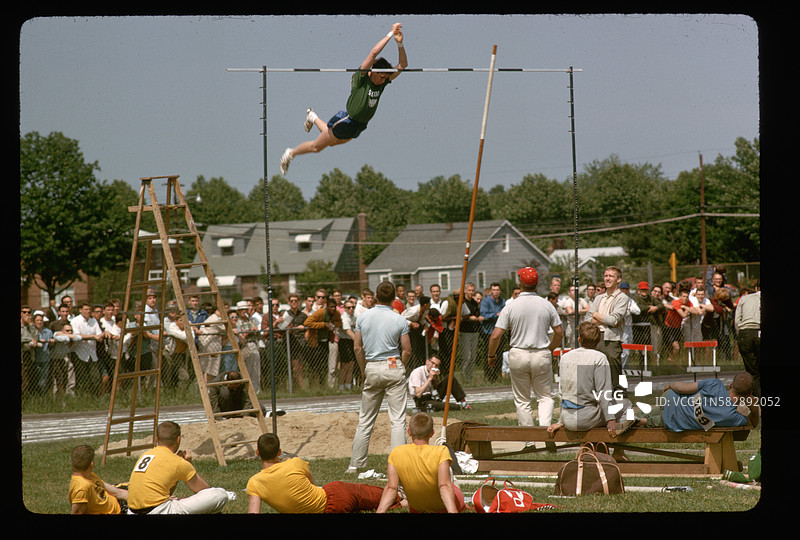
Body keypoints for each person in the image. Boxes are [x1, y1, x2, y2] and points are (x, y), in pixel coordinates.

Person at [279, 23, 407, 174]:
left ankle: (312, 117)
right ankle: (290, 154)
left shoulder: (382, 83)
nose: (383, 79)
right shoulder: (362, 79)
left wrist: (400, 44)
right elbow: (373, 54)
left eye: (386, 77)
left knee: (330, 142)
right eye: (381, 76)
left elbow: (402, 65)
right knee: (316, 147)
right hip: (346, 120)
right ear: (373, 72)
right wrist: (390, 34)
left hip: (360, 125)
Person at [488, 267, 562, 442]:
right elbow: (559, 332)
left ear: (520, 283)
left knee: (522, 399)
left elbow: (496, 335)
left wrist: (491, 356)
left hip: (518, 354)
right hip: (541, 353)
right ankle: (546, 433)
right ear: (536, 283)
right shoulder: (546, 305)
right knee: (545, 396)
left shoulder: (511, 306)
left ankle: (529, 439)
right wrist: (550, 349)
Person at [247, 433, 403, 514]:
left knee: (363, 503)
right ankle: (400, 498)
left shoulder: (254, 483)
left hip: (328, 506)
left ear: (257, 452)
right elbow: (312, 486)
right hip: (333, 498)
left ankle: (399, 501)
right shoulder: (295, 463)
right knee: (368, 495)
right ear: (279, 452)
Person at [347, 280, 411, 474]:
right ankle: (398, 463)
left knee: (365, 419)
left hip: (373, 366)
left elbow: (357, 347)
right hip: (392, 364)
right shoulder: (398, 318)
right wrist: (401, 367)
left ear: (375, 295)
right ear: (393, 298)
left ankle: (355, 463)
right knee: (398, 420)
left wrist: (363, 368)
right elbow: (407, 350)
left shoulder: (363, 318)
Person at [546, 322, 635, 438]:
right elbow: (603, 392)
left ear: (579, 339)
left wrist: (561, 421)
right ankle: (618, 449)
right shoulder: (599, 358)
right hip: (585, 418)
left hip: (567, 417)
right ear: (598, 341)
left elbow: (562, 391)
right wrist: (610, 419)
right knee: (626, 404)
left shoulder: (565, 357)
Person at [127, 421, 233, 514]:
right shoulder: (178, 462)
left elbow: (167, 493)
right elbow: (204, 490)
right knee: (219, 494)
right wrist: (188, 464)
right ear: (178, 439)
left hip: (132, 511)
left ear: (156, 439)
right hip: (159, 510)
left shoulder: (145, 455)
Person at [376, 412, 468, 513]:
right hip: (442, 507)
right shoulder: (441, 451)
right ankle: (464, 506)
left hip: (417, 507)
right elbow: (444, 485)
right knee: (454, 487)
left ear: (409, 432)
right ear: (432, 433)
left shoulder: (396, 453)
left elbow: (391, 488)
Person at [629, 372, 760, 432]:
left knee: (664, 408)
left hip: (672, 397)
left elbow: (683, 388)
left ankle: (636, 417)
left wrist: (670, 385)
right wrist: (753, 408)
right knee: (665, 418)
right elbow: (752, 424)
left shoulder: (715, 384)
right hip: (674, 419)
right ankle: (643, 421)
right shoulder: (731, 416)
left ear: (731, 385)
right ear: (748, 394)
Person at [584, 266, 629, 392]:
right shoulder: (599, 298)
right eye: (605, 276)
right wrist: (605, 318)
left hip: (611, 340)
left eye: (611, 276)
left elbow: (614, 320)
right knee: (596, 373)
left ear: (618, 279)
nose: (607, 279)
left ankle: (620, 401)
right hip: (596, 338)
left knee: (614, 375)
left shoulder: (622, 298)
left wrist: (596, 315)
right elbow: (587, 319)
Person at [69, 444, 127, 514]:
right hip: (119, 511)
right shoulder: (82, 488)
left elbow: (114, 491)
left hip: (117, 502)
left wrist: (129, 496)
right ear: (91, 465)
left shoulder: (90, 476)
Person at [304, 297, 343, 388]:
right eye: (331, 307)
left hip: (326, 342)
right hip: (315, 342)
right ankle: (312, 386)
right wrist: (323, 325)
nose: (333, 309)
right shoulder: (320, 312)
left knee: (324, 365)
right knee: (314, 366)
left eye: (334, 307)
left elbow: (339, 322)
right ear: (326, 307)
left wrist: (332, 325)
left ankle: (322, 386)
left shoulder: (336, 314)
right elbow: (307, 322)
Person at [70, 302, 104, 395]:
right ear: (80, 310)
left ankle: (94, 397)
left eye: (89, 309)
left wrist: (101, 335)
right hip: (80, 353)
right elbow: (77, 335)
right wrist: (93, 336)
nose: (88, 311)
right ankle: (83, 397)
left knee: (96, 377)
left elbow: (99, 334)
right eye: (86, 309)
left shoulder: (93, 321)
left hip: (92, 354)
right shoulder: (75, 321)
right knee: (82, 378)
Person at [735, 280, 761, 397]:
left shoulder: (744, 299)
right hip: (759, 329)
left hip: (745, 332)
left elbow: (737, 320)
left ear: (756, 288)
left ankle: (756, 399)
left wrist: (740, 334)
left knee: (752, 371)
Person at [479, 282, 505, 382]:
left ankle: (498, 376)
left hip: (500, 331)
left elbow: (504, 313)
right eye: (494, 290)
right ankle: (489, 376)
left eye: (497, 290)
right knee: (489, 354)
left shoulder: (502, 301)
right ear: (491, 291)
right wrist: (496, 315)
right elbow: (483, 315)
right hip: (489, 332)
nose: (496, 292)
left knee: (499, 354)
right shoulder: (486, 301)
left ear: (500, 291)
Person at [236, 300, 262, 393]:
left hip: (253, 344)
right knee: (245, 369)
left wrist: (253, 330)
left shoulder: (251, 320)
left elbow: (257, 332)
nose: (244, 311)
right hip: (244, 346)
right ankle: (245, 390)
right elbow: (241, 335)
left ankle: (255, 391)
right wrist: (249, 331)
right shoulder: (237, 321)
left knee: (255, 369)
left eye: (245, 309)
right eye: (242, 310)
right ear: (238, 311)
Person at [337, 298, 358, 390]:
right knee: (345, 366)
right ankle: (341, 386)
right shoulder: (344, 317)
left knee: (351, 364)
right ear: (344, 308)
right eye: (349, 307)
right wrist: (358, 342)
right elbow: (348, 331)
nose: (351, 309)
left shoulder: (353, 316)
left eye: (353, 307)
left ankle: (348, 386)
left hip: (350, 341)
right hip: (344, 341)